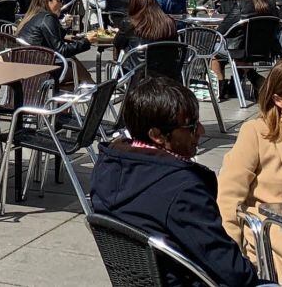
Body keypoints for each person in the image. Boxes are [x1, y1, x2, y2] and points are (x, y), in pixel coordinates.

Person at [90, 77, 267, 287]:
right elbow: (234, 273)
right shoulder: (182, 188)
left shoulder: (107, 165)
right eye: (191, 127)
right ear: (157, 135)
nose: (201, 131)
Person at [218, 57, 282, 283]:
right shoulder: (257, 132)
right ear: (278, 100)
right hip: (275, 230)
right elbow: (229, 195)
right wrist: (230, 258)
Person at [14, 0, 90, 67]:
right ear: (47, 1)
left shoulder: (33, 15)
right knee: (74, 62)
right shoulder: (48, 17)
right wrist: (87, 41)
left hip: (27, 62)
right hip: (41, 68)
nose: (61, 4)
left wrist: (63, 27)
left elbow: (48, 39)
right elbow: (62, 51)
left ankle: (87, 80)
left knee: (74, 62)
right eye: (59, 0)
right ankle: (88, 80)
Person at [113, 0, 178, 58]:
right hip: (166, 66)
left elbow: (118, 43)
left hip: (138, 66)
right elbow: (175, 47)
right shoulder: (169, 22)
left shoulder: (130, 22)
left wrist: (119, 32)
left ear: (133, 2)